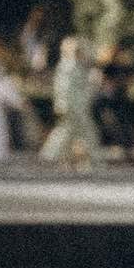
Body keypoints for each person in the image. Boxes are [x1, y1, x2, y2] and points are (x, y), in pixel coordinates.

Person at [41, 31, 106, 167]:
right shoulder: (69, 66)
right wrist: (62, 105)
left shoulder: (79, 67)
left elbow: (84, 87)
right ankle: (97, 159)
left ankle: (49, 157)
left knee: (65, 132)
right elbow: (63, 88)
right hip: (73, 107)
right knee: (87, 132)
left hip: (78, 106)